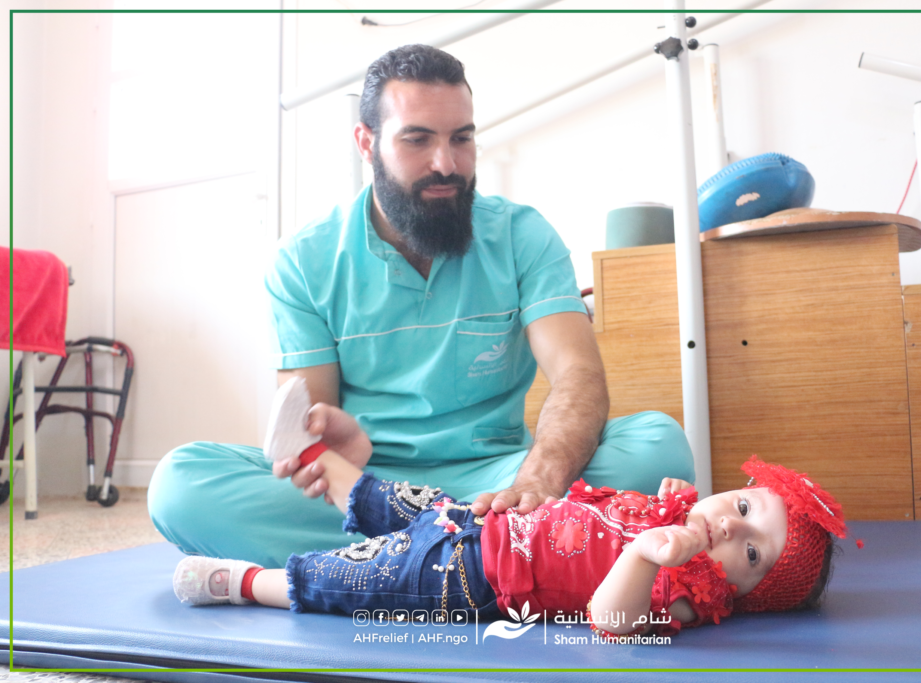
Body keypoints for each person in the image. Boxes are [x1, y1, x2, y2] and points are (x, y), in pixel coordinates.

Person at [148, 44, 693, 569]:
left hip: (498, 480)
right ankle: (502, 551)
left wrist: (537, 482)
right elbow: (310, 439)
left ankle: (407, 556)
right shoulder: (303, 260)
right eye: (417, 140)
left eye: (462, 138)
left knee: (657, 445)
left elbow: (578, 373)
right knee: (180, 484)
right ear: (366, 142)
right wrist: (335, 451)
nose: (446, 164)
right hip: (368, 489)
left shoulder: (523, 235)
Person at [172, 379, 846, 640]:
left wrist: (645, 554)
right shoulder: (683, 510)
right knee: (393, 500)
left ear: (744, 592)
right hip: (487, 515)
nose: (729, 523)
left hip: (473, 578)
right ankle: (314, 455)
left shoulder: (690, 587)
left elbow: (611, 619)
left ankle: (244, 582)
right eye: (745, 504)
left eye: (751, 550)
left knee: (362, 575)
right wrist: (660, 505)